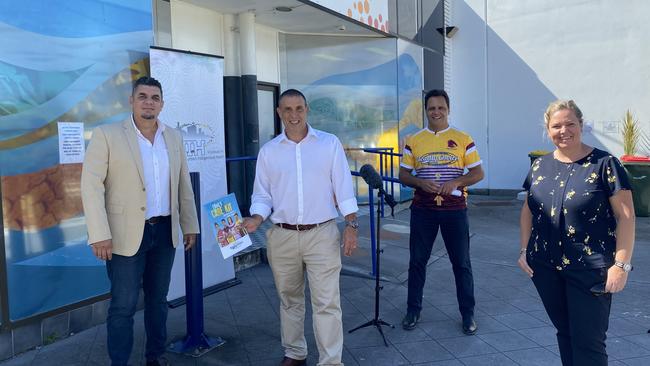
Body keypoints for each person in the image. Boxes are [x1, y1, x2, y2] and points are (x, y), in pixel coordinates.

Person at [81, 76, 199, 366]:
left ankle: (155, 357)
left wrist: (190, 225)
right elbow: (91, 185)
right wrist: (99, 233)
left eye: (155, 97)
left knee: (158, 301)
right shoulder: (107, 134)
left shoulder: (173, 137)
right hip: (123, 235)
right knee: (123, 305)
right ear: (131, 101)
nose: (149, 102)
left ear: (162, 103)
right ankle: (119, 362)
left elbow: (183, 183)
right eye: (143, 96)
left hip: (164, 232)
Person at [243, 89, 358, 366]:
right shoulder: (269, 152)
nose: (294, 115)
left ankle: (331, 362)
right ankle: (295, 353)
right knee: (289, 300)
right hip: (281, 235)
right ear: (279, 113)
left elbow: (343, 188)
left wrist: (352, 223)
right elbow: (262, 195)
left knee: (327, 302)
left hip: (322, 233)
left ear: (307, 110)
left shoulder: (328, 144)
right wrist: (256, 218)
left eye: (299, 109)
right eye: (287, 109)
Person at [518, 100, 635, 365]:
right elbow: (527, 209)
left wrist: (621, 264)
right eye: (556, 125)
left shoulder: (605, 164)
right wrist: (524, 249)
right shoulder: (539, 166)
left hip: (590, 270)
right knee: (566, 333)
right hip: (545, 267)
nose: (564, 130)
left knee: (589, 344)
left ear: (581, 125)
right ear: (547, 130)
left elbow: (626, 216)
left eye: (570, 124)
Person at [399, 89, 484, 334]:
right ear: (425, 111)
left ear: (448, 110)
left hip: (454, 210)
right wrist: (420, 182)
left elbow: (478, 173)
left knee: (461, 263)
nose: (436, 112)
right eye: (431, 108)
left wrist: (456, 182)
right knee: (417, 262)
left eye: (441, 108)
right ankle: (413, 310)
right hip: (423, 210)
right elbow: (403, 174)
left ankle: (468, 315)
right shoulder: (414, 140)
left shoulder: (463, 138)